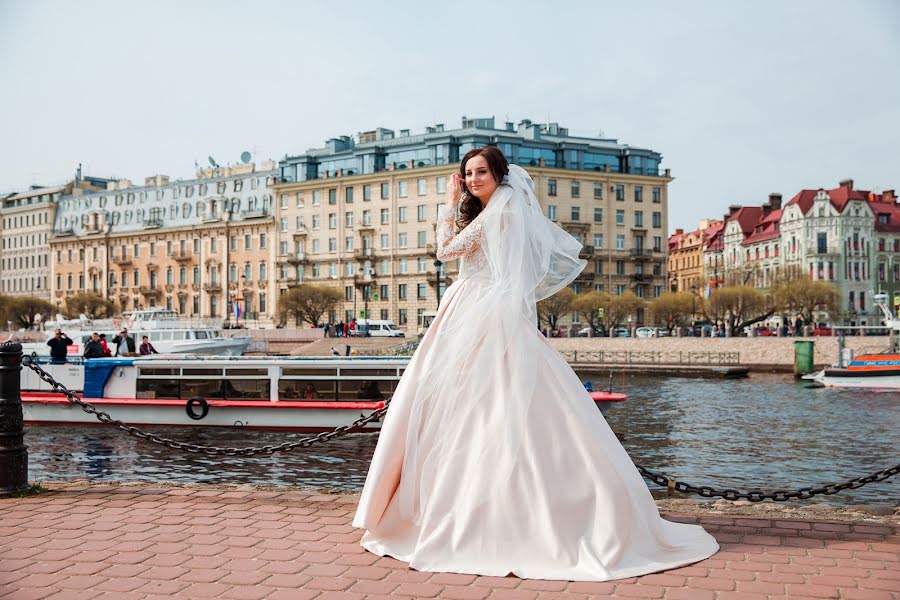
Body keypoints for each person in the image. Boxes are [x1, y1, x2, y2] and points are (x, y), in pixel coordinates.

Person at [353, 148, 718, 581]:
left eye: (480, 172)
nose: (472, 179)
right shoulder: (500, 210)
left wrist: (448, 205)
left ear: (498, 174)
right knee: (485, 407)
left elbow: (446, 252)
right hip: (477, 307)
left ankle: (483, 515)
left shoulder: (498, 212)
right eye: (467, 173)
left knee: (477, 407)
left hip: (478, 309)